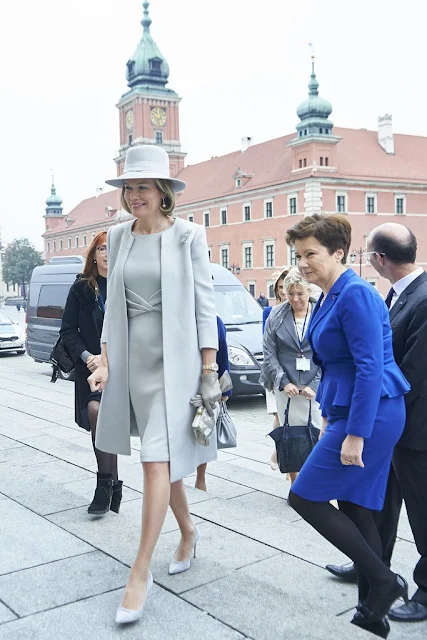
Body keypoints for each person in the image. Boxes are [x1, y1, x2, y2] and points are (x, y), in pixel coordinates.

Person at [88, 145, 220, 626]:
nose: (133, 194)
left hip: (177, 367)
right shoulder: (119, 238)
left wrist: (208, 372)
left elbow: (205, 307)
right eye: (128, 186)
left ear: (164, 192)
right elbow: (110, 307)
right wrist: (105, 360)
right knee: (165, 464)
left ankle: (138, 571)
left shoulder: (189, 236)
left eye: (143, 186)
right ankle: (187, 531)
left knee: (153, 463)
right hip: (132, 367)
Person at [284, 213, 410, 638]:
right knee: (356, 507)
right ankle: (372, 609)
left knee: (303, 498)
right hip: (352, 407)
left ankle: (384, 581)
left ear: (339, 252)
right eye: (298, 255)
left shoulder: (354, 293)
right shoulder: (331, 294)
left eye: (311, 254)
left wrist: (354, 432)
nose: (302, 263)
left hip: (371, 412)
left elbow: (370, 367)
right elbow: (336, 364)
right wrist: (331, 410)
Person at [326, 223, 427, 623]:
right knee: (380, 506)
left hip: (415, 430)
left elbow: (414, 373)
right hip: (392, 425)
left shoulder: (422, 299)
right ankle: (373, 567)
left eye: (367, 254)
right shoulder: (397, 295)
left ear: (379, 259)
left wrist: (371, 412)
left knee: (422, 513)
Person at [60, 232, 121, 516]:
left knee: (112, 421)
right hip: (90, 371)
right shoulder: (81, 288)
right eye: (102, 248)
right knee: (97, 412)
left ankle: (112, 485)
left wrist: (110, 358)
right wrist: (89, 358)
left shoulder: (124, 286)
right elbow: (68, 331)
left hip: (120, 368)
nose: (108, 253)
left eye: (113, 247)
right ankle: (106, 483)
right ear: (94, 254)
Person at [260, 270, 322, 485]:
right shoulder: (276, 315)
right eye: (291, 293)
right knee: (290, 432)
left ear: (309, 291)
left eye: (300, 294)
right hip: (285, 383)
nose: (295, 299)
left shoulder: (322, 312)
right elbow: (269, 351)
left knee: (315, 432)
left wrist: (316, 384)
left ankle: (314, 480)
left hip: (315, 382)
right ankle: (295, 483)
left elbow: (331, 352)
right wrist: (284, 382)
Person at [195, 315, 232, 492]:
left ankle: (200, 478)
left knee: (205, 430)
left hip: (208, 382)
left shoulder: (214, 320)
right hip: (179, 383)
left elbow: (223, 353)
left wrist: (225, 390)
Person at [262, 267, 289, 470]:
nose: (282, 291)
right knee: (279, 414)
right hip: (275, 371)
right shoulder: (269, 312)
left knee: (290, 416)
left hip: (297, 372)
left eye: (285, 287)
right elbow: (267, 345)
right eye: (279, 287)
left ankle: (280, 454)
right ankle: (280, 451)